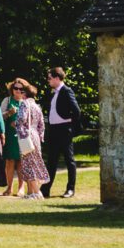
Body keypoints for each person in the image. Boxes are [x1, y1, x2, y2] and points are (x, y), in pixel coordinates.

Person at [42, 67, 79, 198]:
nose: (48, 81)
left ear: (57, 78)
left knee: (69, 160)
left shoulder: (67, 91)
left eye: (50, 78)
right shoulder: (53, 93)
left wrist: (72, 128)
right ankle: (45, 189)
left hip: (64, 129)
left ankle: (70, 189)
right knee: (51, 160)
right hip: (54, 130)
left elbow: (76, 111)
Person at [11, 79, 49, 199]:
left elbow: (21, 118)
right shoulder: (37, 106)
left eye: (22, 91)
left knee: (29, 163)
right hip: (36, 135)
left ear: (25, 94)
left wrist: (16, 124)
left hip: (26, 135)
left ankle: (37, 192)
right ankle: (33, 192)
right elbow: (42, 125)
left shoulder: (24, 104)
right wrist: (40, 136)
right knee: (35, 162)